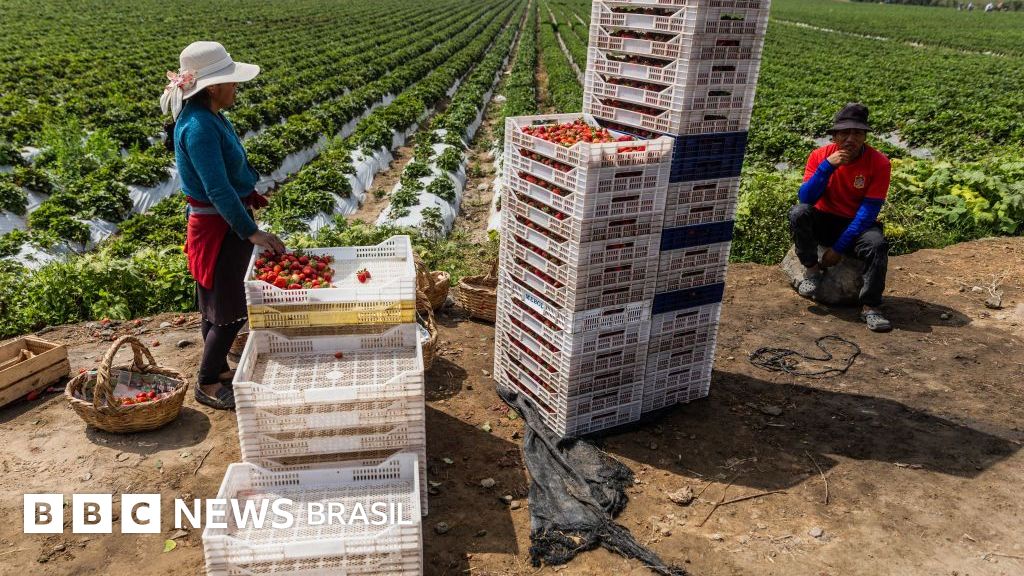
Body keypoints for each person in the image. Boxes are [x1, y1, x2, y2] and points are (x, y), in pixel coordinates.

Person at [161, 41, 285, 409]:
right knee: (232, 309)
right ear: (212, 87)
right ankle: (206, 382)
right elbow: (217, 189)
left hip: (222, 222)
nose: (236, 87)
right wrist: (250, 230)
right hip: (219, 228)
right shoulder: (198, 127)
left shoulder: (209, 115)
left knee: (216, 305)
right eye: (231, 82)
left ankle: (217, 371)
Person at [788, 103, 893, 332]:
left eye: (857, 133)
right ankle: (812, 270)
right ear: (834, 136)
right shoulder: (820, 156)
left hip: (856, 223)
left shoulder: (879, 163)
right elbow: (806, 198)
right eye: (844, 132)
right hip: (825, 219)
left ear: (865, 136)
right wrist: (827, 167)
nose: (850, 139)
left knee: (877, 245)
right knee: (798, 213)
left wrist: (838, 249)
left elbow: (868, 213)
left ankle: (871, 307)